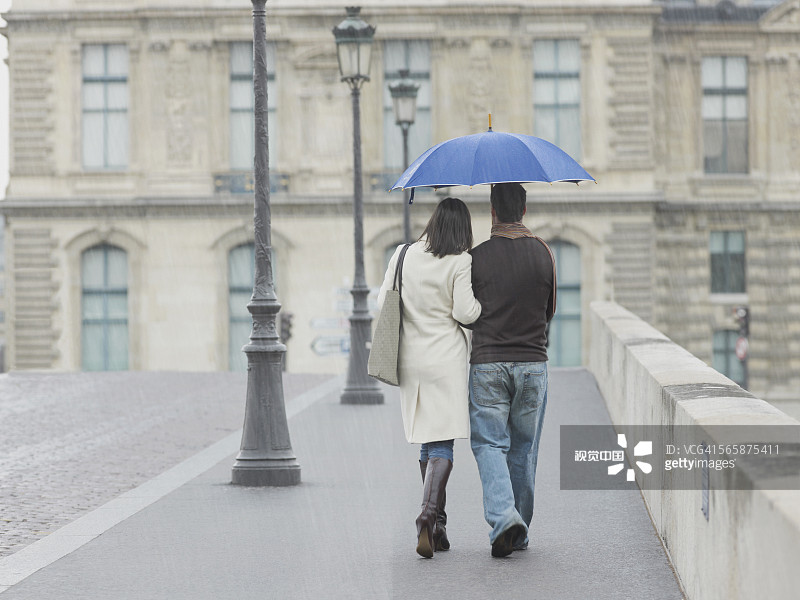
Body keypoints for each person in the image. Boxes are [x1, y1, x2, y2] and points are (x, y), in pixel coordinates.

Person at [377, 197, 481, 558]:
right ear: (462, 229)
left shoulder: (404, 255)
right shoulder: (460, 260)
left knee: (426, 438)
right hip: (445, 360)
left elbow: (383, 302)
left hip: (410, 359)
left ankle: (438, 527)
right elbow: (466, 312)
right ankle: (427, 516)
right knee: (443, 443)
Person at [465, 182, 556, 558]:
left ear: (492, 211)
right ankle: (518, 530)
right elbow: (549, 310)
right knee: (524, 448)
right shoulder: (544, 253)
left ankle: (504, 517)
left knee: (489, 443)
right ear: (523, 210)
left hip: (488, 362)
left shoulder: (476, 258)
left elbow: (468, 313)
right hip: (533, 363)